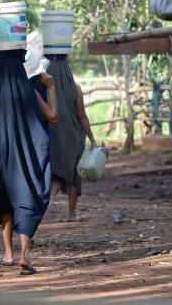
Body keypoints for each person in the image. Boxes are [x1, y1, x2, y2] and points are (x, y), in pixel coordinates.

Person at [0, 49, 57, 276]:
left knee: (5, 198)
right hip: (27, 155)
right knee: (25, 197)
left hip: (0, 156)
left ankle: (8, 253)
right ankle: (25, 255)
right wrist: (51, 88)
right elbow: (53, 117)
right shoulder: (30, 91)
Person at [46, 54, 98, 222]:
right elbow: (82, 116)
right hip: (74, 139)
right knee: (74, 177)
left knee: (56, 177)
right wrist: (92, 139)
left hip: (52, 139)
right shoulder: (76, 90)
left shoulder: (43, 90)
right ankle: (71, 213)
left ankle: (44, 209)